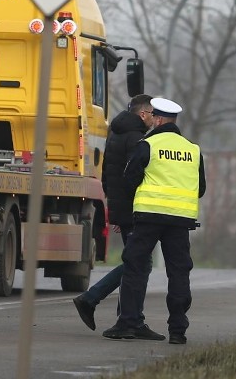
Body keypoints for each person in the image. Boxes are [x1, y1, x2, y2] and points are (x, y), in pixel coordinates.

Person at [102, 97, 205, 345]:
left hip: (148, 218)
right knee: (179, 273)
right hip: (180, 221)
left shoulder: (147, 144)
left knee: (135, 268)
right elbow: (200, 188)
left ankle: (127, 323)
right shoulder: (193, 149)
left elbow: (129, 179)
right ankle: (178, 331)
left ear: (157, 119)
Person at [73, 94, 154, 331]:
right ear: (143, 114)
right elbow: (134, 179)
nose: (153, 119)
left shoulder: (116, 134)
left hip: (123, 208)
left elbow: (107, 175)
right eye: (152, 114)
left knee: (136, 260)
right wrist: (131, 212)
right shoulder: (137, 138)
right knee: (139, 262)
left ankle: (125, 313)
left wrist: (116, 211)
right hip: (134, 209)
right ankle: (92, 299)